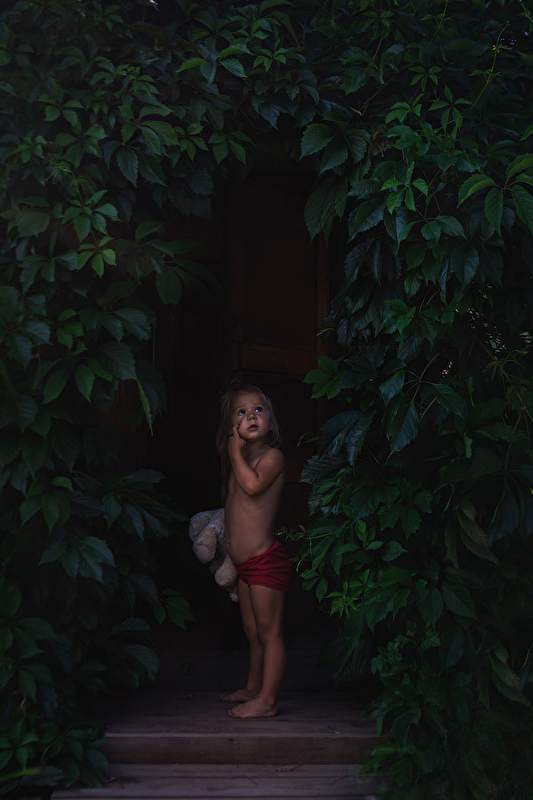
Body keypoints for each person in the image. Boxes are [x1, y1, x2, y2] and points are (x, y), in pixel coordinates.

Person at [215, 382, 291, 719]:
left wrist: (234, 452)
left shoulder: (272, 457)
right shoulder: (240, 461)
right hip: (245, 566)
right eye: (241, 412)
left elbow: (253, 485)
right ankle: (252, 687)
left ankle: (267, 700)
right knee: (252, 632)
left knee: (269, 632)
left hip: (265, 561)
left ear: (271, 422)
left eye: (258, 410)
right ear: (231, 425)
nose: (251, 417)